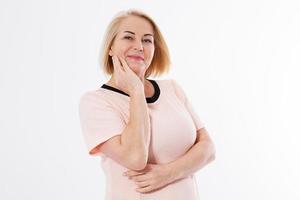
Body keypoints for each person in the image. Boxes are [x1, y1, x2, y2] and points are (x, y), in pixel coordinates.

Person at [79, 9, 216, 200]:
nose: (139, 46)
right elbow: (135, 158)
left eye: (147, 40)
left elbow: (208, 149)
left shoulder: (172, 89)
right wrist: (136, 90)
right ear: (110, 47)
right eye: (128, 37)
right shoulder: (96, 102)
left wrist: (167, 173)